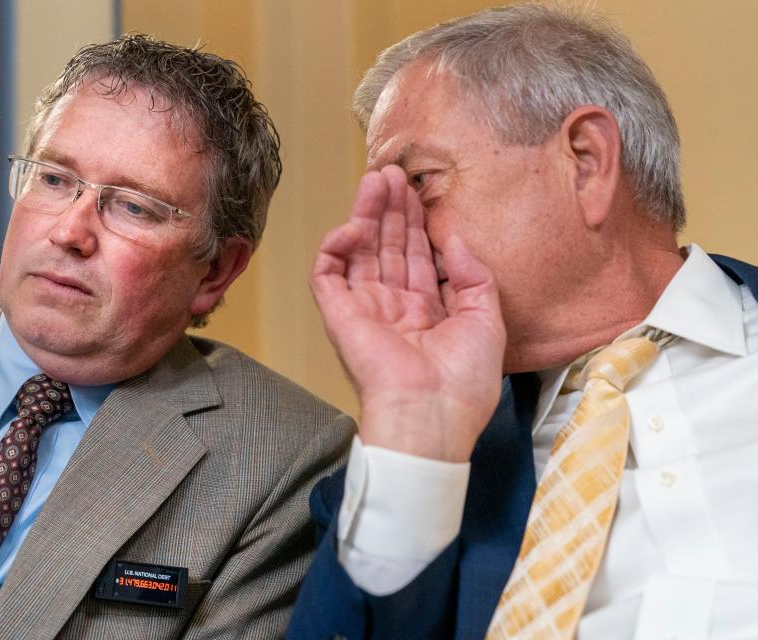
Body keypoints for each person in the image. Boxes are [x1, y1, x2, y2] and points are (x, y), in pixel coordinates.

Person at [0, 36, 353, 640]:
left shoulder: (284, 459)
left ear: (216, 269)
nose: (70, 232)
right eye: (55, 179)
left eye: (134, 207)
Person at [288, 4, 758, 639]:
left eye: (420, 181)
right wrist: (415, 427)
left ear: (586, 161)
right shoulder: (390, 481)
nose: (388, 232)